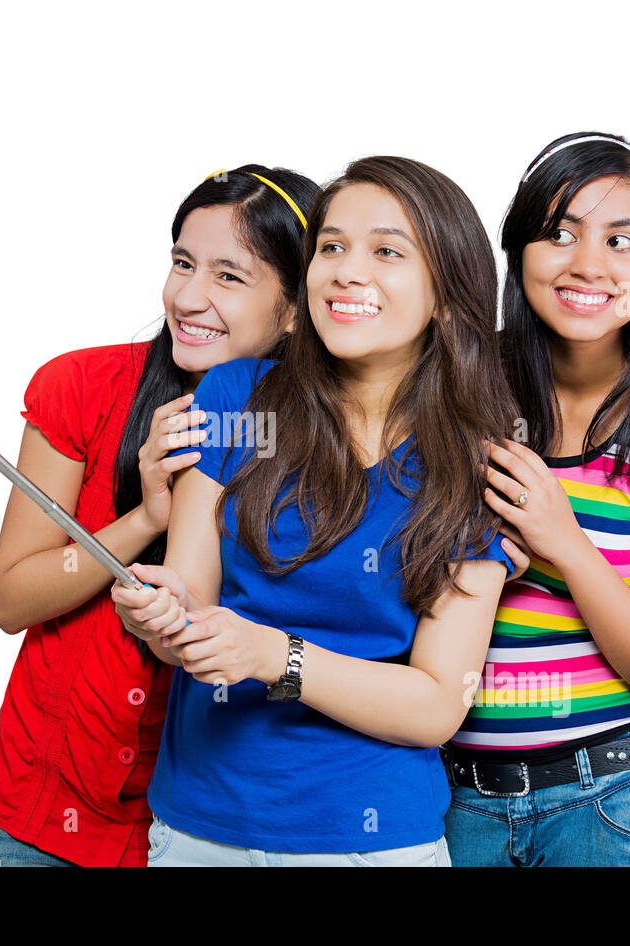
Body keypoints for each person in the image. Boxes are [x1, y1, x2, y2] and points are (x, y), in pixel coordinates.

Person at [111, 156, 529, 866]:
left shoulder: (474, 466)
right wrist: (160, 614)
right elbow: (187, 609)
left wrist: (277, 655)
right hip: (198, 828)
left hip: (373, 839)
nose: (345, 270)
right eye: (331, 246)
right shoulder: (236, 396)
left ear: (448, 297)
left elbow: (435, 704)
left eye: (387, 251)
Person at [0, 165, 318, 866]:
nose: (189, 297)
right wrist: (144, 519)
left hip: (204, 827)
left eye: (230, 276)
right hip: (46, 814)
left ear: (294, 308)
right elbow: (12, 597)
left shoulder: (332, 442)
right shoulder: (80, 386)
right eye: (182, 264)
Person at [442, 132, 630, 867]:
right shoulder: (465, 401)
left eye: (621, 240)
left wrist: (566, 545)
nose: (588, 264)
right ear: (519, 252)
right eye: (559, 234)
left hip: (621, 802)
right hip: (459, 803)